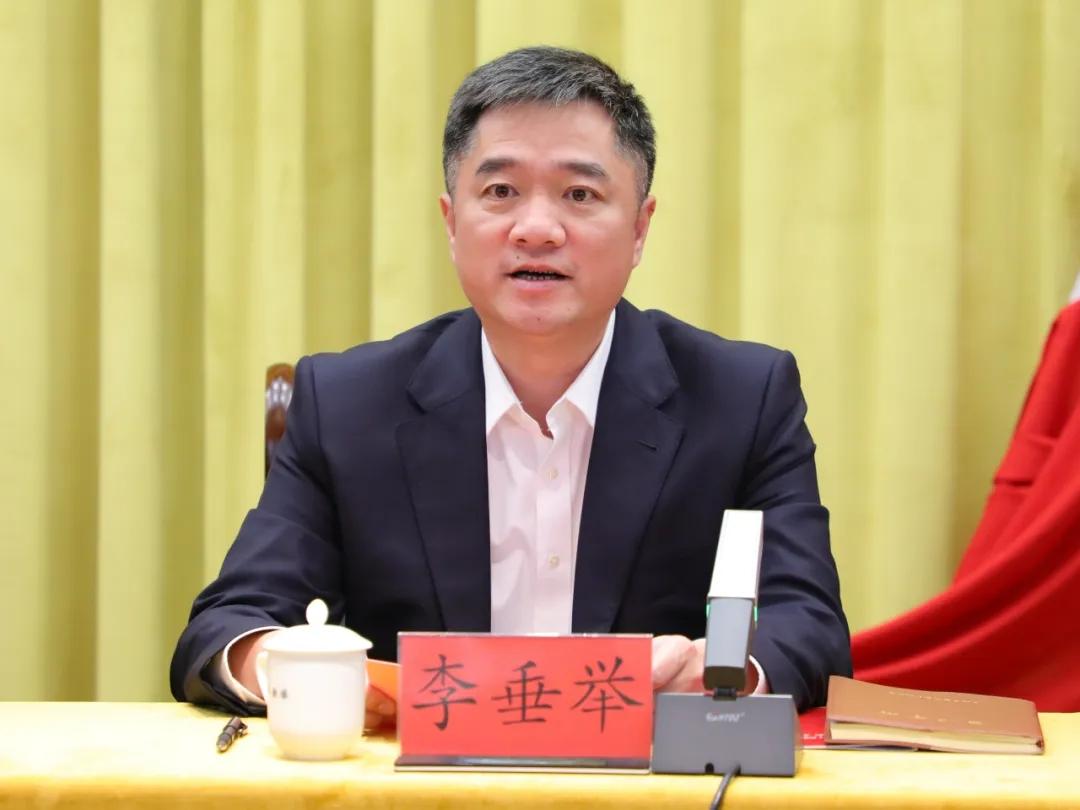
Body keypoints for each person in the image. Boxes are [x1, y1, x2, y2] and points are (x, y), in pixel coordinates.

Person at [170, 46, 851, 726]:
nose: (537, 230)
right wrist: (295, 668)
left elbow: (810, 626)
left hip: (646, 776)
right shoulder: (347, 404)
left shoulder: (742, 398)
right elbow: (228, 627)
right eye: (500, 192)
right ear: (451, 222)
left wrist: (717, 670)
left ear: (640, 228)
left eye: (580, 195)